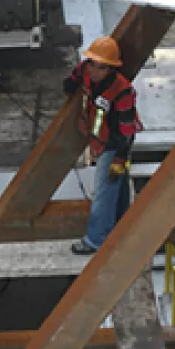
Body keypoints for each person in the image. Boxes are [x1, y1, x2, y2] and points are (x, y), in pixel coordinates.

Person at [63, 36, 143, 255]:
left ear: (111, 69)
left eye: (101, 67)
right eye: (92, 64)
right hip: (98, 140)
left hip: (114, 144)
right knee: (117, 188)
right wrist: (69, 85)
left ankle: (95, 240)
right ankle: (123, 225)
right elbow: (73, 78)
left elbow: (127, 130)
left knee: (103, 192)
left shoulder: (122, 91)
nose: (94, 71)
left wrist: (120, 158)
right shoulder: (86, 71)